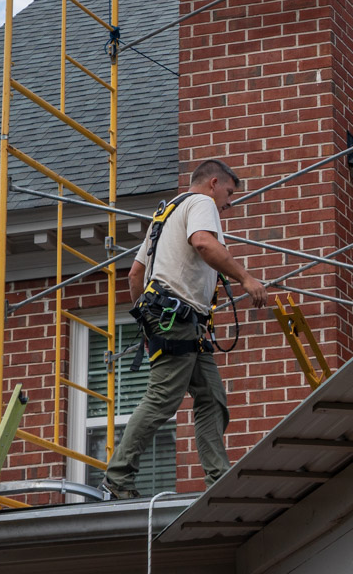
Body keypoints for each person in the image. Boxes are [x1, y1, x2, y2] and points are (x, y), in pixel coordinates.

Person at [101, 158, 267, 500]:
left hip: (176, 320)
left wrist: (148, 324)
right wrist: (246, 278)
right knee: (163, 398)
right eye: (229, 192)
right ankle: (117, 478)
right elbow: (204, 243)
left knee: (211, 396)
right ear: (213, 183)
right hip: (178, 316)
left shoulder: (163, 216)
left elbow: (135, 275)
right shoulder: (202, 203)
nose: (229, 202)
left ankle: (218, 478)